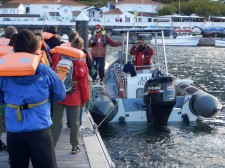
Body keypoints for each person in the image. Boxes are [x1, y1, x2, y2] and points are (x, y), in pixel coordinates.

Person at [0, 29, 66, 168]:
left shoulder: (3, 72)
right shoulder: (43, 69)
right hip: (39, 128)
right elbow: (60, 94)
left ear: (14, 47)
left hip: (14, 129)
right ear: (33, 46)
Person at [51, 39, 90, 154]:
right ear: (82, 48)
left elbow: (53, 73)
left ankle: (52, 146)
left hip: (59, 93)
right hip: (74, 94)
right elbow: (84, 85)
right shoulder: (82, 63)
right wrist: (85, 99)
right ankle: (74, 146)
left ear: (71, 46)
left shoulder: (58, 57)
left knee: (56, 120)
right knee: (75, 122)